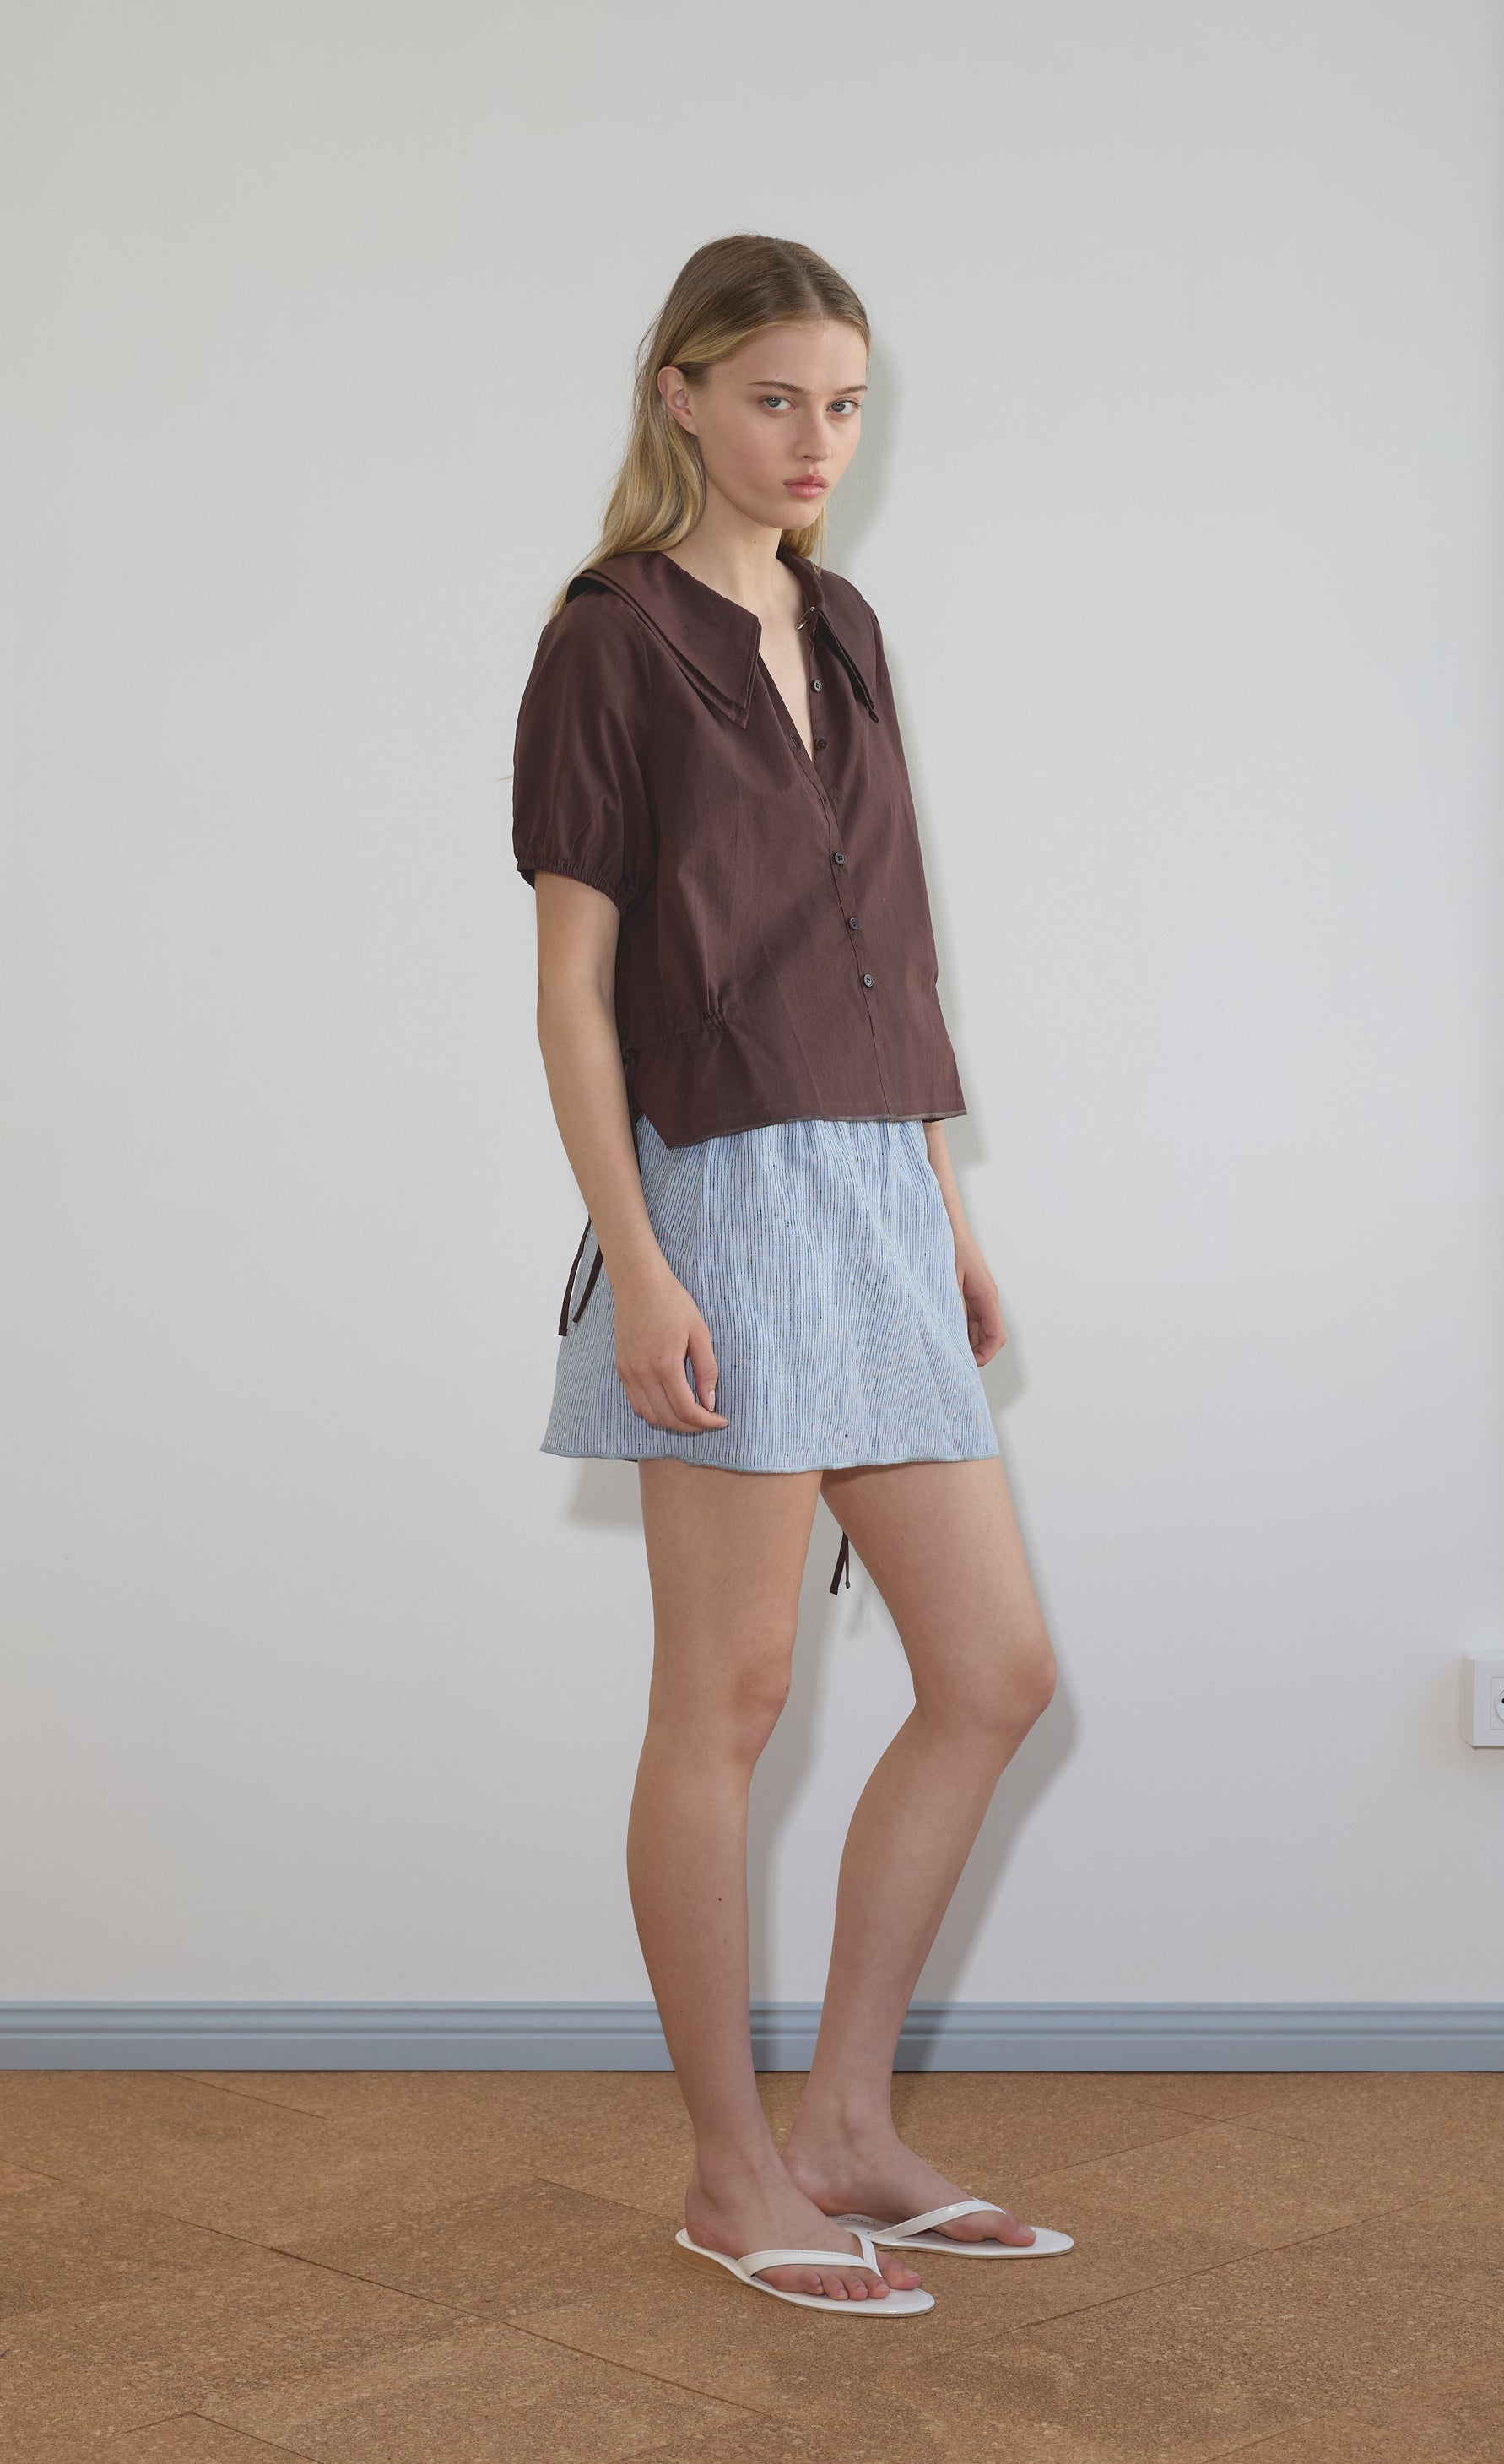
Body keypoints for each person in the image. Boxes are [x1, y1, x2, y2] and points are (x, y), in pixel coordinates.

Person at [512, 233, 1066, 2315]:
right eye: (774, 398)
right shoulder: (607, 639)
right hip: (723, 1198)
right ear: (679, 394)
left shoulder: (843, 629)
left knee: (992, 1671)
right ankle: (730, 2167)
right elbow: (572, 993)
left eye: (844, 402)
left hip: (875, 1192)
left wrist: (944, 1209)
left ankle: (845, 2119)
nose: (815, 438)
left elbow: (891, 949)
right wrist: (643, 1260)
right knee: (728, 1701)